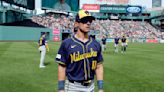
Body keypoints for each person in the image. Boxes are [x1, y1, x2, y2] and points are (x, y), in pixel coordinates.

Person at [56, 10, 104, 92]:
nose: (88, 23)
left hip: (91, 86)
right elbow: (62, 66)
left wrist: (100, 88)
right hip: (73, 87)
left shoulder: (95, 44)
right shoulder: (66, 43)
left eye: (90, 21)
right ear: (76, 24)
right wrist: (61, 89)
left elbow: (99, 67)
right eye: (84, 20)